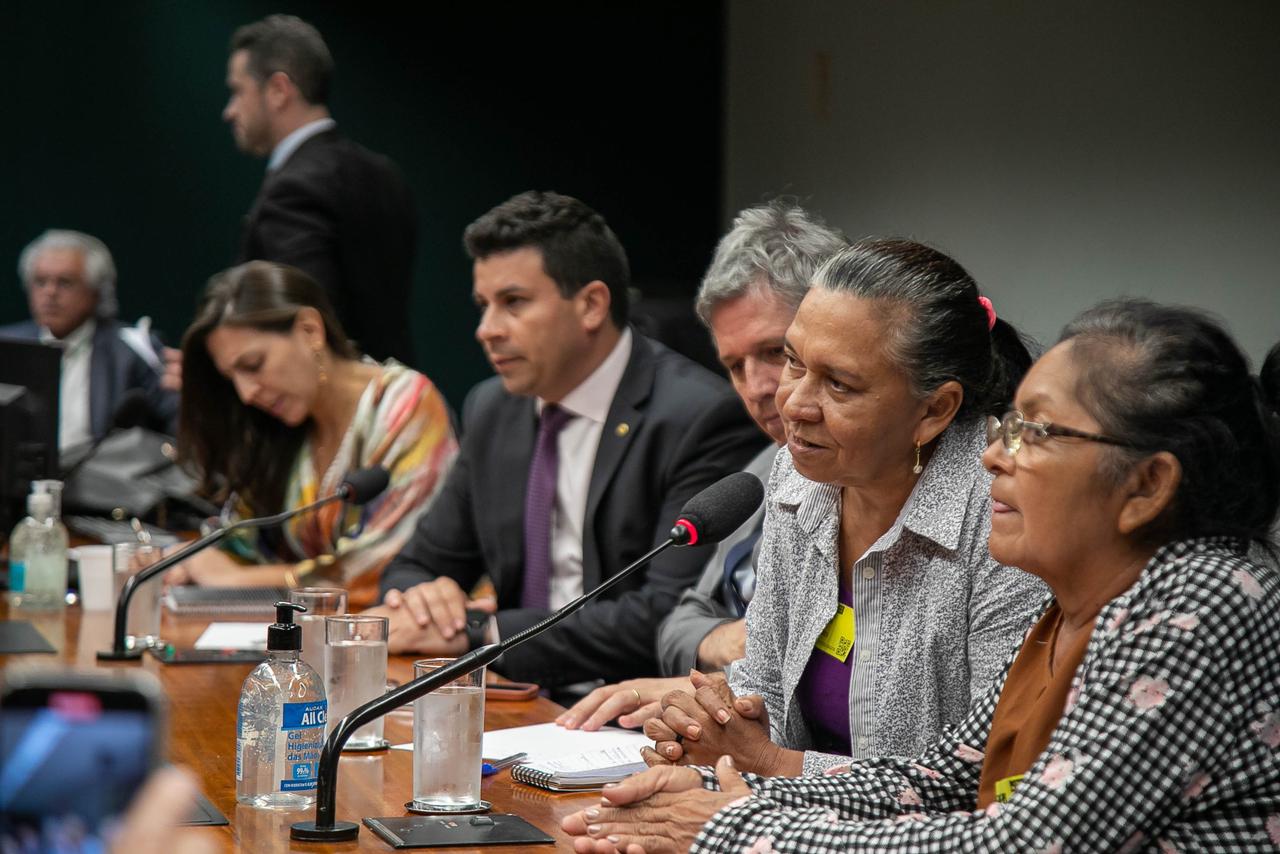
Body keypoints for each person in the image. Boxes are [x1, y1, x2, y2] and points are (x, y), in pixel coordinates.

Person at [564, 298, 1280, 853]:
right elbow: (940, 781)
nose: (995, 456)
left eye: (1036, 431)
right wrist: (721, 792)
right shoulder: (1077, 606)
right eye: (1007, 426)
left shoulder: (1207, 597)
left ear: (1148, 485)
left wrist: (736, 832)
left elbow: (1024, 841)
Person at [643, 240, 1047, 776]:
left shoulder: (1007, 509)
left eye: (838, 383)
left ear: (934, 409)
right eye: (793, 361)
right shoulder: (801, 473)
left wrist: (769, 762)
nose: (793, 403)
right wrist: (713, 720)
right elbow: (764, 679)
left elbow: (986, 770)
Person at [370, 191, 764, 688]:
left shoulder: (697, 416)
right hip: (517, 697)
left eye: (513, 303)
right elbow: (414, 565)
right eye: (483, 306)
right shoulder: (493, 409)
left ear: (592, 305)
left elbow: (666, 613)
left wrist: (482, 633)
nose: (485, 330)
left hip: (628, 714)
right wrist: (430, 600)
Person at [558, 201, 846, 731]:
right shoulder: (767, 466)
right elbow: (676, 626)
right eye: (735, 365)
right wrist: (726, 643)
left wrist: (743, 665)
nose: (758, 389)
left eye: (777, 352)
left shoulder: (877, 480)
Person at [171, 261, 457, 608]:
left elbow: (378, 569)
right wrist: (184, 559)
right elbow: (241, 542)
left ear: (310, 330)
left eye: (253, 365)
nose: (246, 393)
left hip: (412, 645)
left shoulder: (405, 404)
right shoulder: (282, 428)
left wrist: (235, 579)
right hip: (316, 637)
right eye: (233, 378)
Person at [223, 14, 416, 365]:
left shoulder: (292, 189)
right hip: (397, 398)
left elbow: (309, 328)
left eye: (237, 91)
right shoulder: (386, 174)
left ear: (279, 90)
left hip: (334, 411)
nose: (229, 111)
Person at [1, 229, 178, 453]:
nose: (50, 292)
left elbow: (177, 423)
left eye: (64, 283)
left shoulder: (133, 348)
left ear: (96, 291)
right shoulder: (6, 346)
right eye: (40, 281)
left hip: (105, 480)